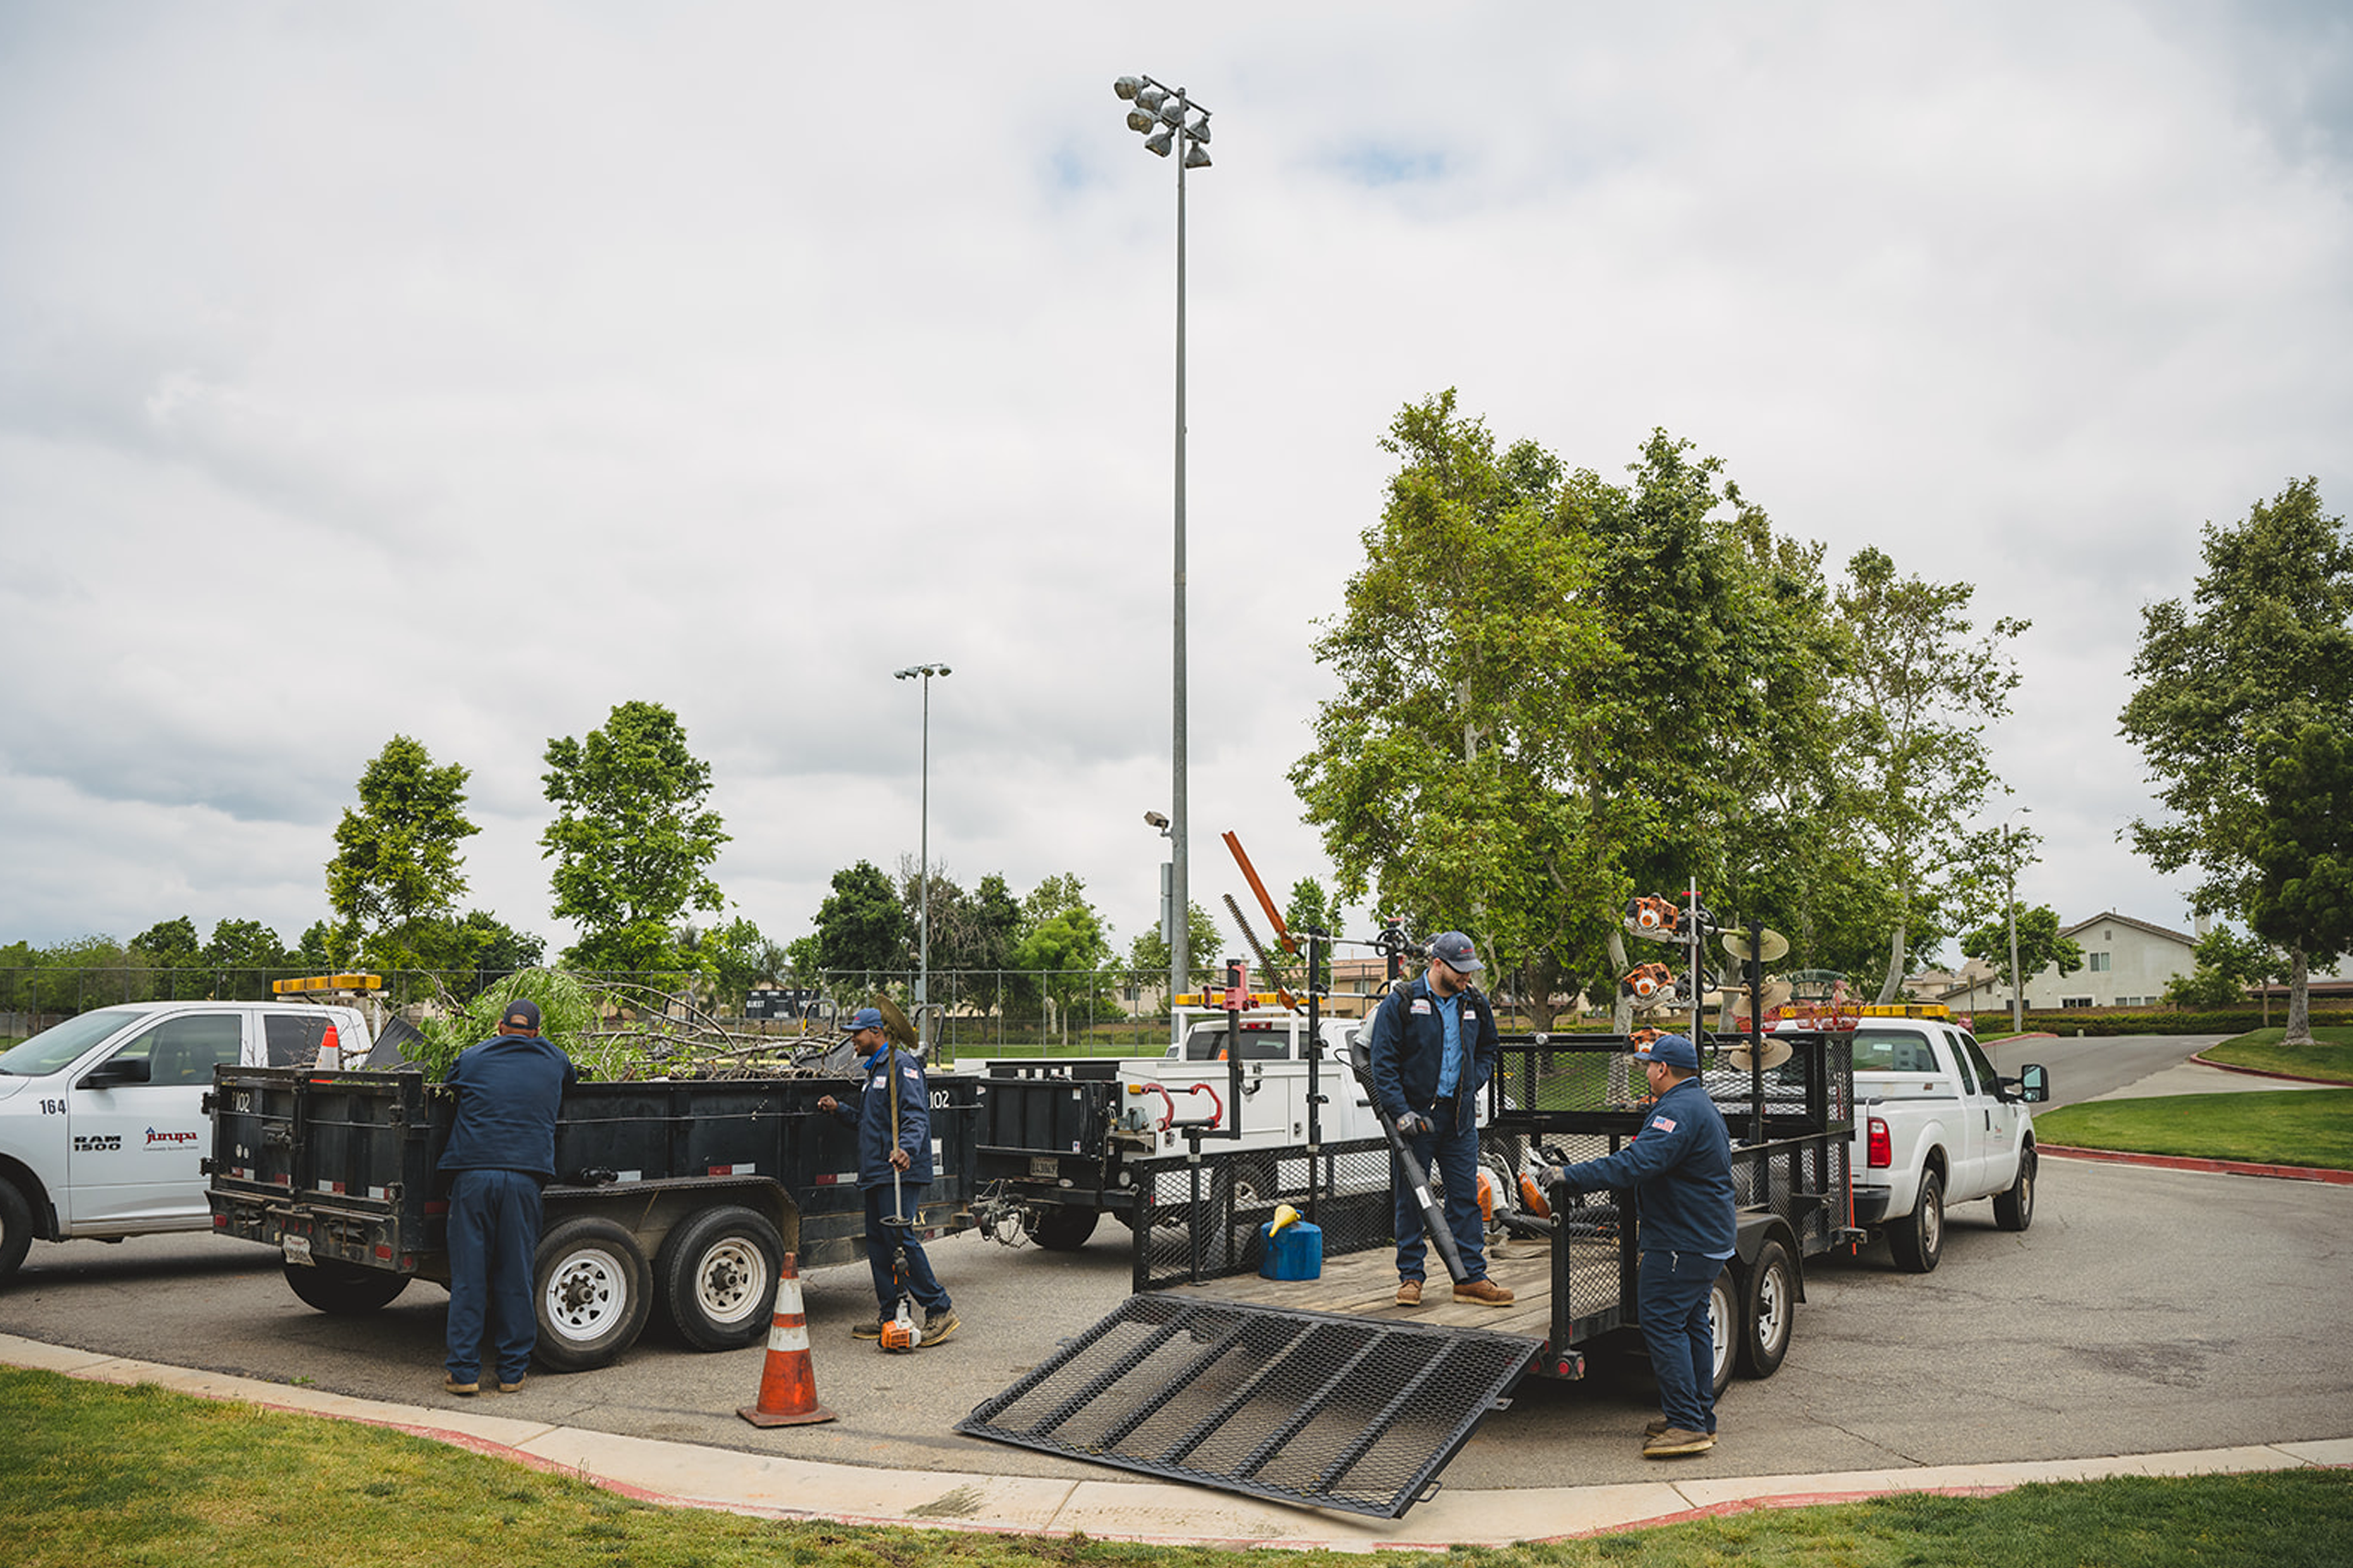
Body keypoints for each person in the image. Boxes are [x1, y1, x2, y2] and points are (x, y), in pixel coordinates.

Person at [1546, 1031, 1735, 1458]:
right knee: (1690, 1325)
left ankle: (1688, 1424)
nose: (1645, 1072)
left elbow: (1637, 1162)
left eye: (1648, 1066)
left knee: (1663, 1323)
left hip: (1681, 1241)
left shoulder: (1677, 1111)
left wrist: (1568, 1176)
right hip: (1705, 1238)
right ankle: (1696, 1416)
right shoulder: (1697, 1102)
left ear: (1663, 1069)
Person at [1364, 930, 1515, 1310]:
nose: (1467, 976)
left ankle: (1470, 1279)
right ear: (1436, 964)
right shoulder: (1402, 1001)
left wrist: (1472, 1082)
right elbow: (1383, 1064)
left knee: (1465, 1197)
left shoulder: (1474, 1003)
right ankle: (1411, 1278)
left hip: (1459, 1119)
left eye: (1470, 969)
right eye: (1460, 970)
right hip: (1416, 1119)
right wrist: (1402, 1113)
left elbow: (1488, 1049)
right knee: (1412, 1198)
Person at [438, 997, 578, 1396]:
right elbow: (571, 1082)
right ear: (536, 1030)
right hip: (523, 1179)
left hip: (473, 1176)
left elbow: (450, 1083)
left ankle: (464, 1373)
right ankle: (512, 1373)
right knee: (515, 1275)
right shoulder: (554, 1058)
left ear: (499, 1026)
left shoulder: (472, 1056)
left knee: (469, 1277)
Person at [817, 1008, 959, 1346]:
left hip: (899, 1168)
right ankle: (890, 1315)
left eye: (857, 1032)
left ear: (877, 1032)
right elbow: (872, 1122)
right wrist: (840, 1111)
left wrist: (907, 1149)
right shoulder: (876, 1069)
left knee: (900, 1240)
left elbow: (915, 1115)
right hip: (877, 1171)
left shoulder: (901, 1066)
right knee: (879, 1243)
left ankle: (940, 1309)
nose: (852, 1038)